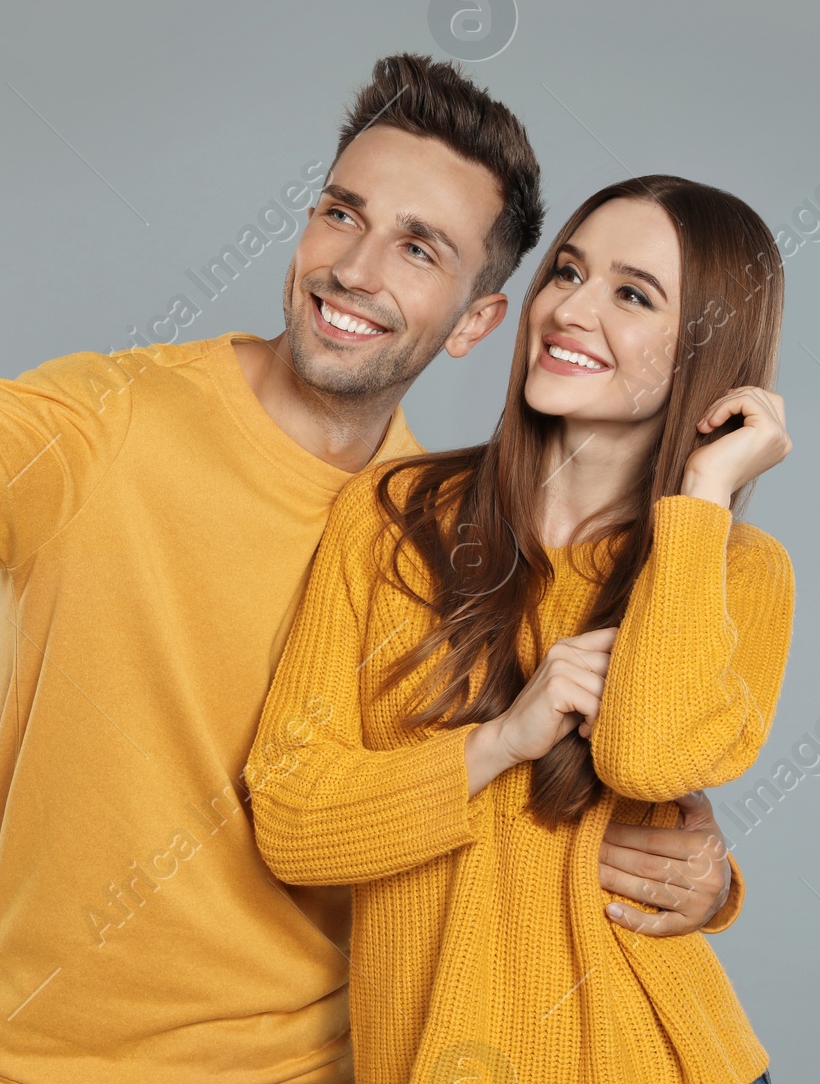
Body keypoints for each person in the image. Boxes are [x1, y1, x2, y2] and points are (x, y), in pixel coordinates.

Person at [0, 41, 745, 1084]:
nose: (354, 268)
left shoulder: (453, 540)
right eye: (341, 213)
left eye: (419, 247)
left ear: (475, 321)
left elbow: (517, 805)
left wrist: (699, 869)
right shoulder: (108, 423)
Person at [247, 175, 792, 1084]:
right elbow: (293, 825)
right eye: (567, 272)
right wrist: (498, 743)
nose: (571, 309)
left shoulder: (735, 570)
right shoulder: (393, 520)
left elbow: (648, 759)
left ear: (707, 347)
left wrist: (702, 499)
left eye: (632, 293)